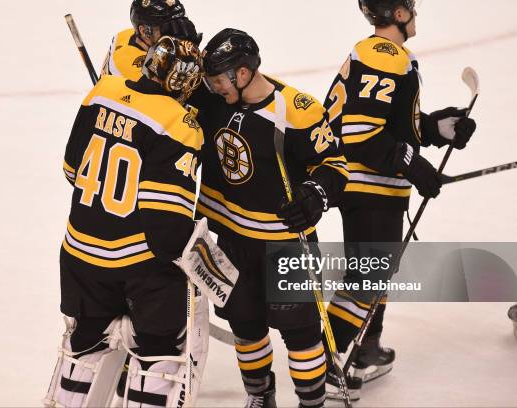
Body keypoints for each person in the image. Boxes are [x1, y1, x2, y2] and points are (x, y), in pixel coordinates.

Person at [322, 0, 477, 400]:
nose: (415, 12)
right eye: (410, 6)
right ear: (400, 15)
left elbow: (394, 127)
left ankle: (366, 350)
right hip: (366, 184)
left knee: (375, 272)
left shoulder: (383, 56)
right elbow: (361, 134)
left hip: (369, 184)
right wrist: (417, 167)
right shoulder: (384, 55)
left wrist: (440, 127)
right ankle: (325, 367)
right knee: (367, 276)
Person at [191, 28, 350, 408]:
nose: (212, 87)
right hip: (228, 239)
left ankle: (311, 403)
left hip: (285, 245)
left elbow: (334, 165)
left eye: (218, 80)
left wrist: (315, 196)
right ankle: (260, 395)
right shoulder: (212, 100)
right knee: (245, 328)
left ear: (242, 74)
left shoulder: (297, 110)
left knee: (302, 335)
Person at [45, 36, 206, 407]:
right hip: (136, 266)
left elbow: (72, 168)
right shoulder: (179, 123)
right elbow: (167, 230)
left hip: (78, 255)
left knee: (83, 343)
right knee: (159, 351)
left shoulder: (103, 90)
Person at [100, 0, 201, 80]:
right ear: (144, 31)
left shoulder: (126, 34)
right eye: (166, 28)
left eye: (179, 22)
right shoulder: (136, 70)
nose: (176, 32)